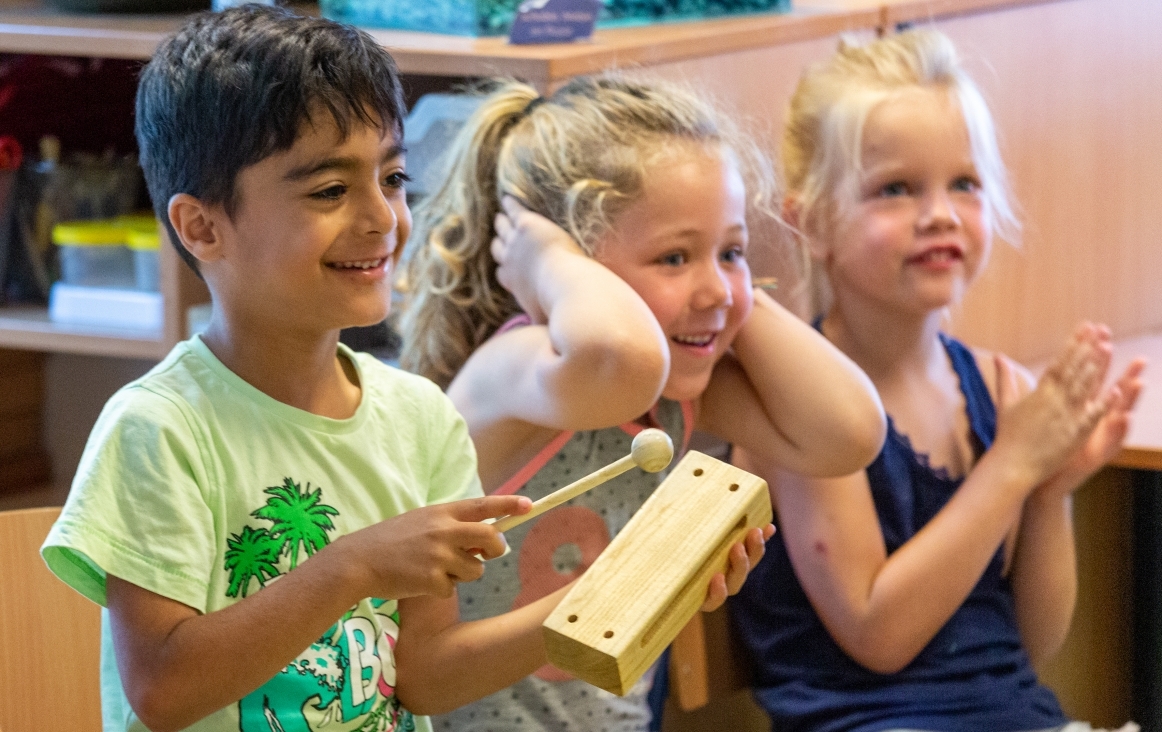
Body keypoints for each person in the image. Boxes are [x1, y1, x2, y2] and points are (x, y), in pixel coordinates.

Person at [36, 7, 598, 731]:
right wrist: (354, 567)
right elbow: (165, 690)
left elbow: (423, 675)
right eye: (330, 191)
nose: (382, 217)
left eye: (393, 178)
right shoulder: (159, 429)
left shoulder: (419, 417)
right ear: (201, 226)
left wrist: (604, 598)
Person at [398, 74, 888, 732]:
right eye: (674, 256)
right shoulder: (515, 367)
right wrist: (545, 258)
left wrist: (733, 292)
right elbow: (621, 356)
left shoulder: (674, 398)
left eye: (732, 250)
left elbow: (851, 432)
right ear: (570, 256)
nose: (713, 286)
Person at [728, 29, 1145, 732]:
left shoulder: (999, 387)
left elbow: (1028, 646)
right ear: (813, 224)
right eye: (896, 189)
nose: (941, 214)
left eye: (964, 184)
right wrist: (1013, 466)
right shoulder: (801, 411)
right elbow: (878, 635)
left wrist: (1049, 492)